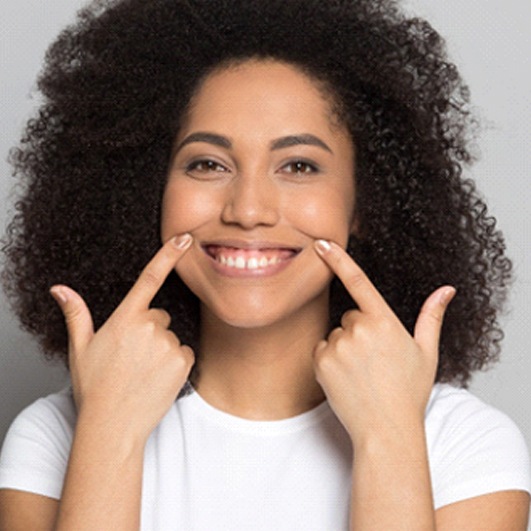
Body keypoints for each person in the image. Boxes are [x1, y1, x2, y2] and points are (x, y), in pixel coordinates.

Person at [0, 0, 529, 529]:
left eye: (299, 166)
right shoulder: (56, 436)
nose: (247, 210)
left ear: (366, 203)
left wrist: (388, 435)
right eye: (207, 164)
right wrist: (108, 431)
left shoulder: (464, 445)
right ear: (145, 192)